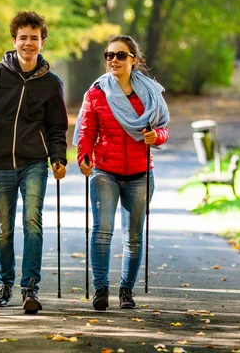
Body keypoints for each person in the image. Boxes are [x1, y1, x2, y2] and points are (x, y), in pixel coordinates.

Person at [0, 11, 68, 314]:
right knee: (3, 228)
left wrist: (58, 157)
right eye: (23, 38)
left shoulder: (51, 82)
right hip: (0, 162)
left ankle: (30, 288)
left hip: (35, 161)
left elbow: (57, 127)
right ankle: (5, 283)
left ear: (43, 41)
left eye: (34, 38)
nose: (28, 43)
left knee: (32, 224)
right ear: (14, 40)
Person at [74, 35, 169, 311]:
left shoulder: (149, 94)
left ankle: (126, 290)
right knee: (102, 231)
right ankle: (101, 289)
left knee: (133, 236)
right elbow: (86, 131)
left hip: (140, 173)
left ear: (134, 60)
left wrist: (156, 136)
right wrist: (84, 156)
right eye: (109, 55)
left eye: (120, 55)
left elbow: (162, 129)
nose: (113, 60)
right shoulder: (96, 93)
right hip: (105, 171)